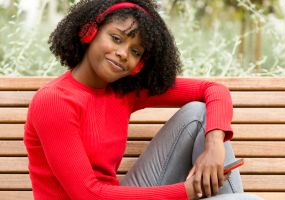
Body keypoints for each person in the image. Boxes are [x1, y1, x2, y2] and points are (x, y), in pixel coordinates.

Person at [24, 0, 262, 199]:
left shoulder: (123, 92)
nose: (123, 53)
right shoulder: (54, 101)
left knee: (199, 113)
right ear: (90, 32)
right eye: (116, 38)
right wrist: (185, 192)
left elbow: (213, 90)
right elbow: (89, 194)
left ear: (139, 65)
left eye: (135, 51)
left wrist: (214, 146)